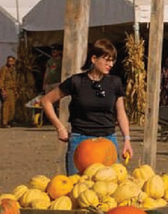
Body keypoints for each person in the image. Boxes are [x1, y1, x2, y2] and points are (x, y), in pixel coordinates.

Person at [41, 39, 132, 175]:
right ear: (94, 59)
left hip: (108, 140)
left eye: (112, 60)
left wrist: (127, 140)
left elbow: (121, 113)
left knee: (109, 190)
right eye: (107, 60)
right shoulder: (76, 82)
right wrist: (60, 128)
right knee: (77, 189)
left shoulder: (115, 82)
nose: (111, 64)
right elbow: (46, 101)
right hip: (80, 140)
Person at [0, 56, 17, 127]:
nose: (10, 62)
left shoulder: (13, 69)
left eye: (11, 61)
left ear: (13, 62)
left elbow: (14, 81)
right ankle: (4, 122)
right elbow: (1, 80)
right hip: (6, 89)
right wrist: (2, 90)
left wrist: (16, 91)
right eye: (8, 61)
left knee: (12, 107)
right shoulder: (4, 69)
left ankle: (9, 121)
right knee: (5, 107)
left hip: (12, 90)